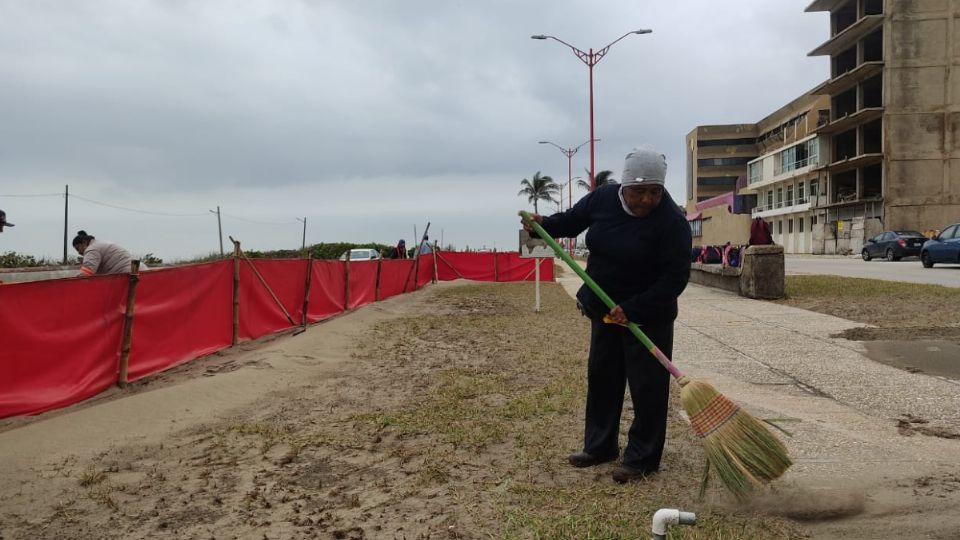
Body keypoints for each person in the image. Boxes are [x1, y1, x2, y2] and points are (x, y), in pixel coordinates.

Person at [522, 145, 692, 484]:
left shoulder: (672, 222)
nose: (646, 199)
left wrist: (633, 308)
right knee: (602, 377)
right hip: (604, 309)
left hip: (647, 315)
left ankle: (642, 457)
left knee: (647, 388)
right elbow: (569, 222)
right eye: (639, 191)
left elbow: (674, 279)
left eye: (654, 192)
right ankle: (600, 447)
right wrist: (544, 225)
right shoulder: (602, 200)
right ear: (624, 187)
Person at [72, 230, 137, 276]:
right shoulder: (99, 244)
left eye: (78, 249)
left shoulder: (91, 250)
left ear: (84, 242)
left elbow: (86, 274)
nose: (79, 252)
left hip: (127, 275)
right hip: (139, 272)